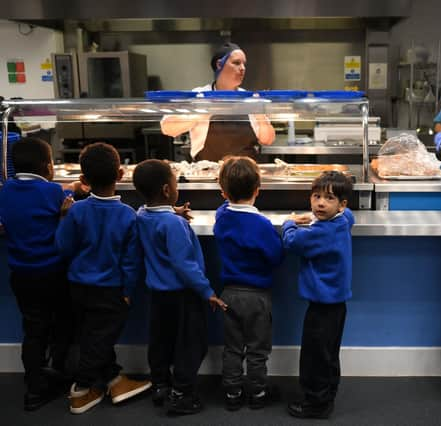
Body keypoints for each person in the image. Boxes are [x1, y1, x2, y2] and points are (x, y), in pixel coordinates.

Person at [55, 142, 151, 414]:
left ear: (83, 180)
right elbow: (131, 261)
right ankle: (81, 390)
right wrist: (128, 289)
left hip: (78, 287)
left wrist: (63, 218)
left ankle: (114, 379)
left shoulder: (76, 211)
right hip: (111, 290)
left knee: (93, 335)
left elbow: (63, 248)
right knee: (100, 338)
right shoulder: (128, 215)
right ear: (121, 175)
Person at [133, 159, 227, 415]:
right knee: (191, 343)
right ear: (166, 190)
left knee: (161, 340)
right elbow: (185, 265)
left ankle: (160, 385)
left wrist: (172, 212)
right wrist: (207, 292)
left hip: (158, 294)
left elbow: (155, 216)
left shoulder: (141, 214)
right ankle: (182, 393)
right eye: (175, 183)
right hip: (184, 294)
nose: (177, 187)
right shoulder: (173, 224)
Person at [0, 137, 77, 411]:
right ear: (48, 166)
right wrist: (67, 209)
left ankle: (34, 387)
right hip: (53, 272)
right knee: (64, 322)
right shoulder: (54, 193)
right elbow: (61, 202)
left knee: (33, 330)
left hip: (21, 274)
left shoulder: (5, 190)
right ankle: (59, 371)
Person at [282, 171, 355, 419]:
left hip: (322, 305)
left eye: (329, 198)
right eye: (316, 196)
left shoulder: (323, 231)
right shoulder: (343, 220)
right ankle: (327, 394)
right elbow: (350, 216)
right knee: (328, 354)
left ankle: (315, 403)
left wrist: (289, 223)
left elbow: (293, 243)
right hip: (337, 304)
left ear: (341, 204)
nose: (320, 203)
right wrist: (317, 216)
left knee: (314, 356)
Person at [213, 156, 284, 411]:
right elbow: (275, 256)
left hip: (228, 295)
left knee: (232, 348)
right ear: (258, 190)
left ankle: (232, 393)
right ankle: (258, 392)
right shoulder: (262, 225)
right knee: (257, 348)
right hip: (257, 296)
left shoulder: (222, 218)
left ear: (223, 192)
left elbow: (224, 208)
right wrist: (286, 227)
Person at [160, 42, 275, 161]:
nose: (242, 68)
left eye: (244, 64)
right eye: (236, 63)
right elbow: (167, 128)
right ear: (219, 64)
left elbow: (267, 140)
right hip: (208, 173)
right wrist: (204, 112)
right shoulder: (199, 95)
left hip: (245, 174)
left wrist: (260, 115)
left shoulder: (250, 98)